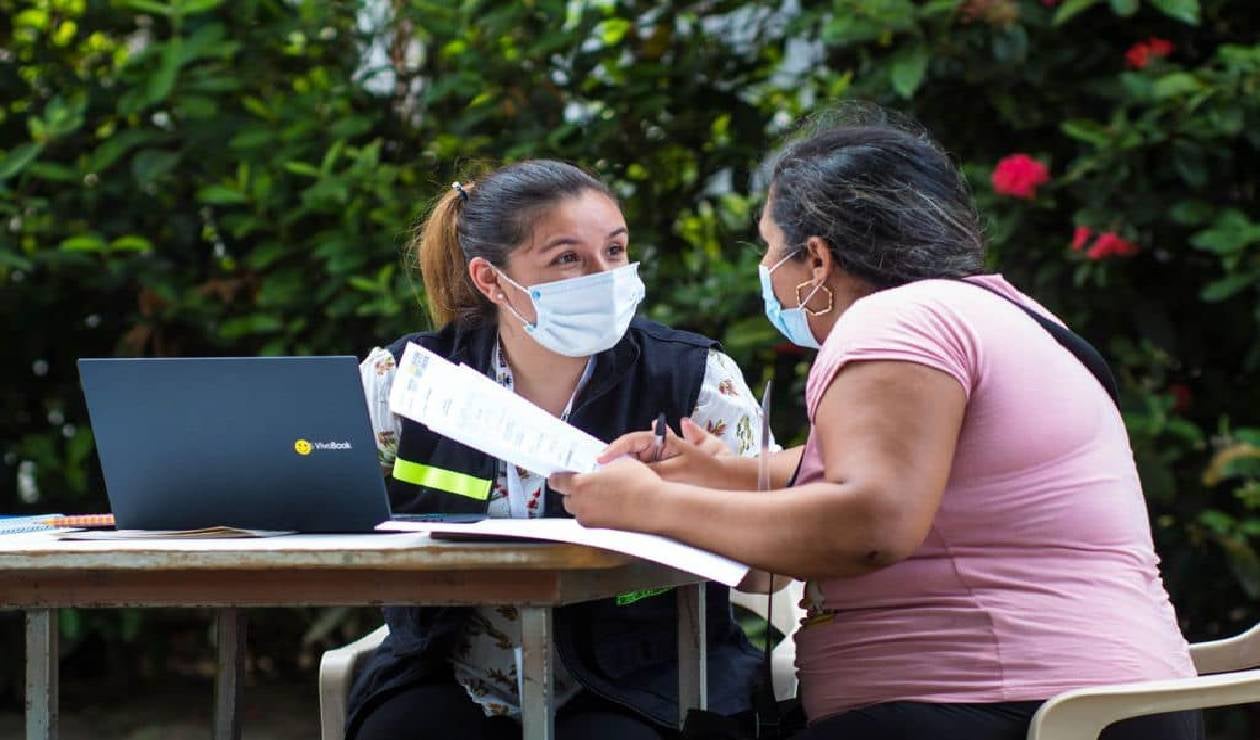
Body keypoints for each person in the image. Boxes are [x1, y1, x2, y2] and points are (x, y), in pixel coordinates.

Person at [549, 114, 1205, 740]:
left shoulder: (893, 323)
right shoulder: (1003, 311)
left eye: (772, 249)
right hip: (1094, 702)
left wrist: (650, 504)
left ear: (817, 259)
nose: (769, 274)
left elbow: (870, 523)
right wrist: (726, 474)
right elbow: (907, 463)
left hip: (992, 710)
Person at [345, 159, 768, 740]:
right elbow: (329, 515)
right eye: (568, 258)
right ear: (491, 280)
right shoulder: (408, 382)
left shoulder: (694, 378)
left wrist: (672, 496)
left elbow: (769, 545)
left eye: (615, 251)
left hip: (650, 674)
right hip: (451, 670)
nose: (604, 274)